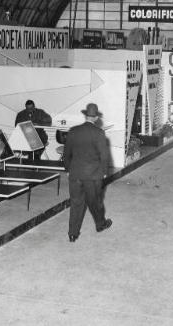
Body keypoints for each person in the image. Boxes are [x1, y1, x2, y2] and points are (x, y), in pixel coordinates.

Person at [63, 103, 112, 242]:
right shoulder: (99, 133)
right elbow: (104, 156)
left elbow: (66, 154)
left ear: (85, 115)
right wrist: (103, 172)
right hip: (93, 175)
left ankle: (72, 234)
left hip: (75, 174)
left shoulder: (73, 131)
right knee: (95, 202)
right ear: (96, 117)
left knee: (76, 203)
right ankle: (100, 225)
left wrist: (68, 170)